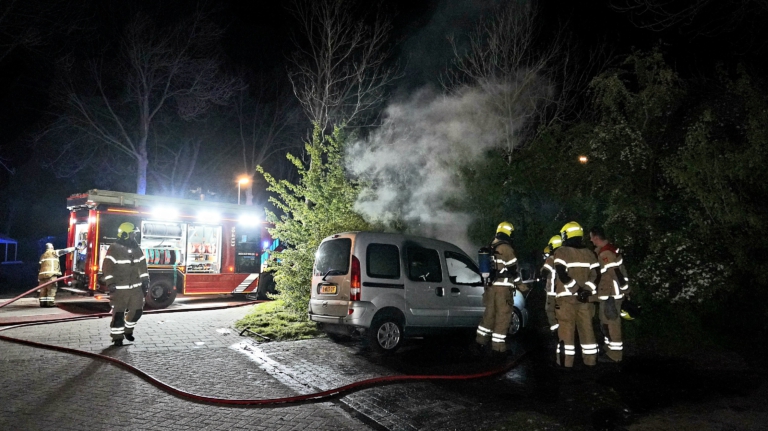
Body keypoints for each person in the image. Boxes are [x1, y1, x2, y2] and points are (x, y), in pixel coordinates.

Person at [552, 221, 600, 368]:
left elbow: (562, 274)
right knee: (587, 332)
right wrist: (586, 291)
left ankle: (566, 365)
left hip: (566, 301)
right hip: (585, 301)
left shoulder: (561, 251)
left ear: (566, 235)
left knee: (566, 333)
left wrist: (577, 290)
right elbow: (597, 276)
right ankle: (590, 362)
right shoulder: (589, 253)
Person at [476, 221, 523, 355]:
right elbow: (514, 271)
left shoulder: (490, 247)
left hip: (490, 288)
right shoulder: (507, 249)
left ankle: (480, 341)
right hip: (503, 290)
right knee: (503, 317)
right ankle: (498, 348)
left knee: (489, 315)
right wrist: (522, 286)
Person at [102, 222, 150, 346]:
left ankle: (128, 330)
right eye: (133, 233)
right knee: (118, 314)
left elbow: (142, 266)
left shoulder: (136, 248)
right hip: (119, 289)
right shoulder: (114, 248)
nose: (134, 235)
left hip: (136, 288)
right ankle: (117, 337)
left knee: (137, 311)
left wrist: (145, 280)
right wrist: (110, 282)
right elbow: (107, 267)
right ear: (125, 234)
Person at [589, 226, 630, 362]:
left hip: (611, 294)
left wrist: (625, 290)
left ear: (596, 237)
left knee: (612, 324)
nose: (590, 240)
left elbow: (615, 273)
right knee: (605, 322)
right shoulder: (607, 250)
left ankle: (615, 355)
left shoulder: (606, 253)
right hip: (608, 294)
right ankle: (609, 348)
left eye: (591, 237)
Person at [37, 243, 75, 307]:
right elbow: (64, 251)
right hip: (51, 275)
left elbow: (39, 266)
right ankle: (50, 303)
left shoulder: (43, 255)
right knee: (51, 288)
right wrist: (75, 248)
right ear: (51, 247)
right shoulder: (54, 253)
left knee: (43, 289)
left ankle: (43, 303)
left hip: (42, 276)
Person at [540, 235, 563, 334]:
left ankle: (555, 330)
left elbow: (544, 272)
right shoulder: (567, 257)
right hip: (564, 291)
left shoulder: (551, 259)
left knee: (550, 310)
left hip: (552, 291)